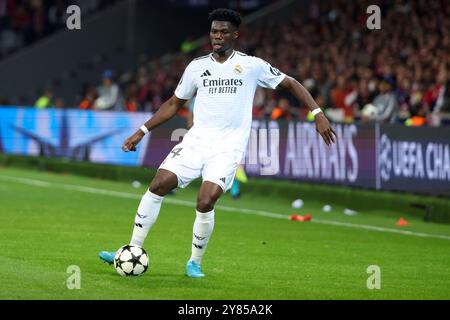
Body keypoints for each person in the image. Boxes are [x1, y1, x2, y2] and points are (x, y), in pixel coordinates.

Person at [99, 8, 336, 278]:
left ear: (235, 34)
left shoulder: (251, 65)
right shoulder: (197, 67)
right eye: (214, 31)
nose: (218, 36)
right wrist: (141, 131)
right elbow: (174, 103)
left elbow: (292, 83)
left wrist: (317, 113)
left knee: (206, 199)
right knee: (158, 183)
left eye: (224, 32)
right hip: (196, 141)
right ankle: (132, 249)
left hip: (228, 147)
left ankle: (194, 263)